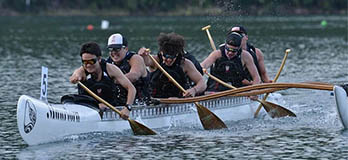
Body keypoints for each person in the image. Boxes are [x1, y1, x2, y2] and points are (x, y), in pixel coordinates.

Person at [70, 33, 151, 105]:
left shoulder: (135, 58)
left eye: (117, 49)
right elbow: (83, 68)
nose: (114, 52)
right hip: (120, 102)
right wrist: (76, 75)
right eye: (111, 49)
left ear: (126, 49)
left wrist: (115, 78)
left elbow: (134, 76)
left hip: (140, 102)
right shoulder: (106, 62)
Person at [76, 42, 136, 119]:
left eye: (91, 62)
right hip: (89, 108)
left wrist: (128, 108)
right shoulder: (82, 71)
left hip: (112, 107)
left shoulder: (111, 69)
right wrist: (75, 77)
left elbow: (131, 89)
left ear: (99, 59)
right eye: (85, 62)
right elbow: (75, 75)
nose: (88, 65)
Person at [138, 32, 206, 98]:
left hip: (178, 97)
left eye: (172, 57)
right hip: (156, 98)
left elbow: (202, 83)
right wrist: (142, 55)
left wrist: (193, 90)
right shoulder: (155, 60)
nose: (169, 60)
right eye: (165, 56)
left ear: (177, 54)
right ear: (161, 52)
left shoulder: (185, 64)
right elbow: (145, 62)